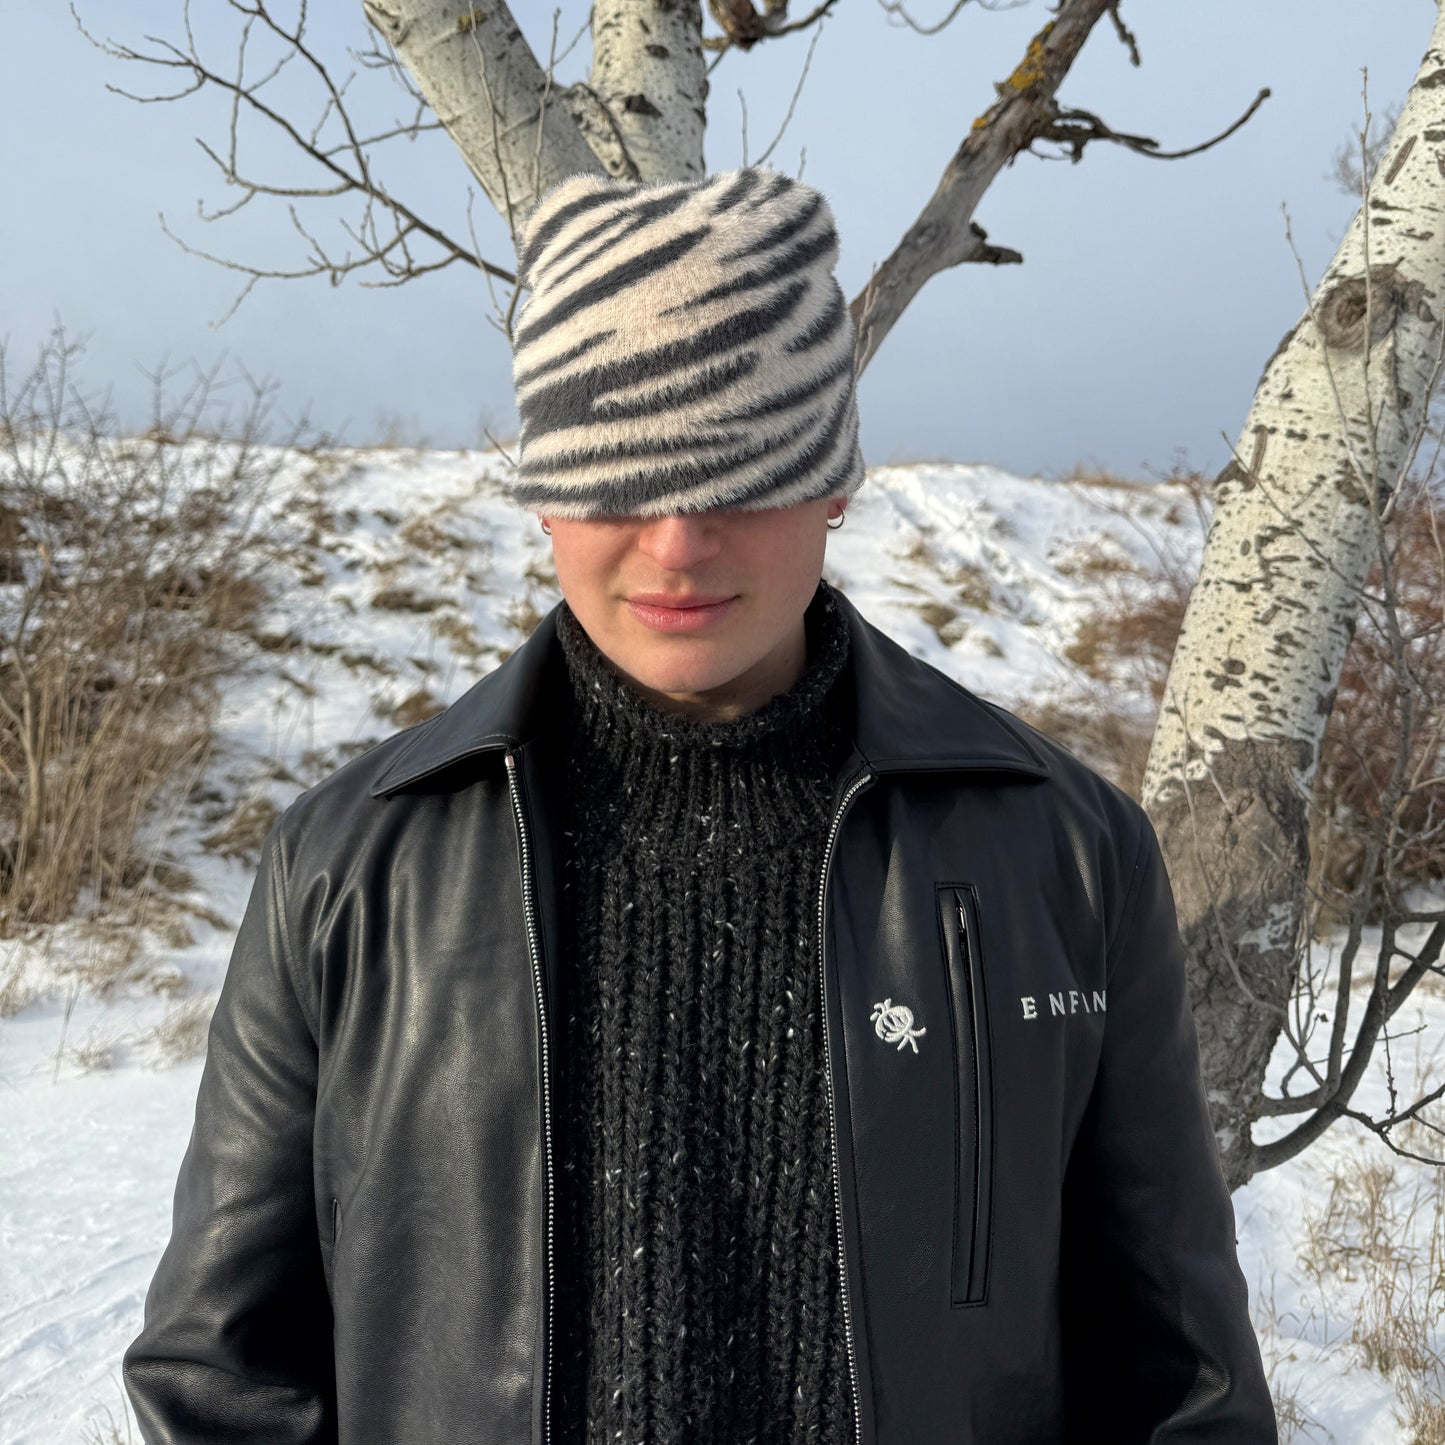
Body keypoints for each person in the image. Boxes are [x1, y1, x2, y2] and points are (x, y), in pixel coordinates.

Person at [123, 164, 1277, 1443]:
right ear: (548, 491)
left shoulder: (1060, 850)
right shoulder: (350, 863)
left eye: (741, 466)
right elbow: (219, 1375)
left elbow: (1182, 1385)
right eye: (617, 472)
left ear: (833, 476)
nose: (676, 540)